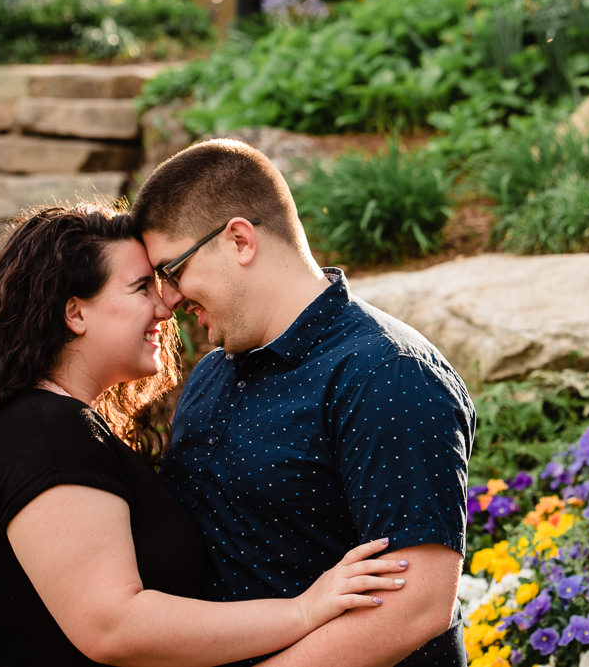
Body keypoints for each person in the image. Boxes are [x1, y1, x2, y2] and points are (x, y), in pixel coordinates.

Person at [0, 204, 409, 667]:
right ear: (75, 312)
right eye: (142, 287)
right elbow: (114, 627)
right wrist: (302, 612)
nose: (167, 306)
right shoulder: (46, 434)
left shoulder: (53, 425)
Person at [131, 138, 476, 667]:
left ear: (239, 240)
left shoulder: (386, 374)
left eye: (171, 272)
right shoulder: (209, 375)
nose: (168, 299)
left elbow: (417, 605)